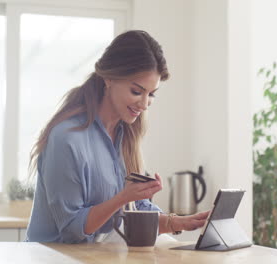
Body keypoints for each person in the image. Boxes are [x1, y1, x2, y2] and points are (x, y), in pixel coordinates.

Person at [26, 30, 209, 243]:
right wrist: (124, 197)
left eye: (151, 94)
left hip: (91, 256)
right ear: (109, 78)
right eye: (136, 91)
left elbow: (136, 209)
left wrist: (175, 223)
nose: (144, 104)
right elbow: (72, 230)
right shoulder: (66, 138)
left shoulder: (126, 134)